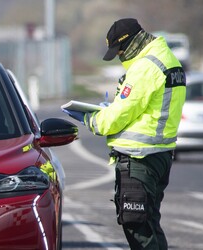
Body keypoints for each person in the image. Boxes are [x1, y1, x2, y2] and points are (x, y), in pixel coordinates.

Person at [68, 18, 186, 249]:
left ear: (131, 43)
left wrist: (91, 119)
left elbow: (117, 117)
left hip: (139, 158)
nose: (121, 56)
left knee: (138, 226)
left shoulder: (145, 67)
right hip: (159, 154)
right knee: (149, 222)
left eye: (120, 50)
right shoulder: (168, 59)